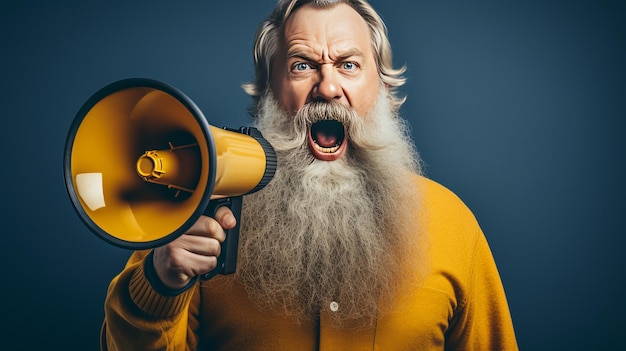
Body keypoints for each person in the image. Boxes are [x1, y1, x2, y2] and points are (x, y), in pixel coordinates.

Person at [101, 0, 518, 349]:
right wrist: (159, 282)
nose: (328, 87)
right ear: (269, 90)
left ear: (384, 87)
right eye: (302, 66)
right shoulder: (195, 214)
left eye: (349, 65)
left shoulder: (454, 225)